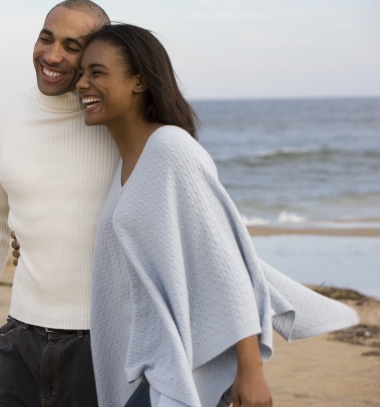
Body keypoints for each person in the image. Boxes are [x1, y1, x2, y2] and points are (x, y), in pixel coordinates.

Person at [71, 23, 359, 407]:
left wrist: (251, 370)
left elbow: (226, 264)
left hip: (182, 371)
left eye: (96, 72)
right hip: (150, 370)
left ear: (138, 80)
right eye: (81, 74)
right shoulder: (127, 165)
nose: (82, 84)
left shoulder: (171, 150)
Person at [0, 0, 119, 405]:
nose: (52, 55)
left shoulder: (115, 121)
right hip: (20, 336)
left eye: (72, 47)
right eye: (46, 38)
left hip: (102, 342)